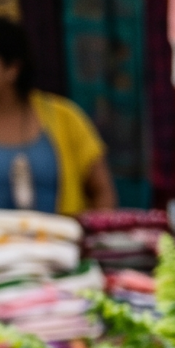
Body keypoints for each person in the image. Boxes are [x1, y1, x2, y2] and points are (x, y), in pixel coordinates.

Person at [0, 19, 113, 215]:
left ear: (13, 68)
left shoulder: (64, 117)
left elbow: (103, 191)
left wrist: (89, 230)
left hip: (63, 233)